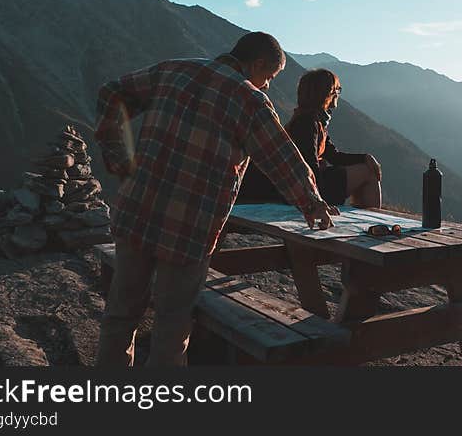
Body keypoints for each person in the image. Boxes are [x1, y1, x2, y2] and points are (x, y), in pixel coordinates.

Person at [93, 32, 337, 367]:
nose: (267, 86)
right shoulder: (249, 100)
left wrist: (119, 158)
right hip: (189, 228)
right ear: (258, 64)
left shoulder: (174, 69)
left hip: (137, 211)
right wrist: (312, 202)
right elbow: (282, 159)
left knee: (121, 314)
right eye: (269, 77)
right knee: (171, 324)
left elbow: (110, 93)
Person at [239, 68, 382, 208]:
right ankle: (374, 225)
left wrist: (365, 157)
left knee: (366, 168)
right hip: (299, 188)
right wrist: (318, 200)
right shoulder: (307, 123)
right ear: (327, 94)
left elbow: (333, 155)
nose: (338, 94)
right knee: (368, 173)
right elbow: (309, 166)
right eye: (337, 90)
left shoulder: (312, 119)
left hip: (299, 184)